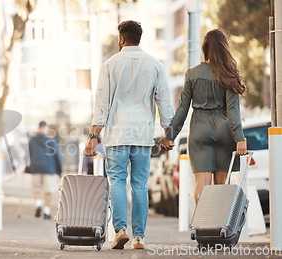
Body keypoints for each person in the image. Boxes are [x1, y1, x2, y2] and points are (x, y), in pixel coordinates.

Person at [84, 20, 174, 250]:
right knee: (140, 185)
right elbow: (164, 102)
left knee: (117, 181)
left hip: (117, 135)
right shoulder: (155, 65)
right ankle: (139, 238)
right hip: (143, 136)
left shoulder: (109, 65)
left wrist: (94, 136)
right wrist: (168, 133)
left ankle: (121, 230)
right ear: (139, 38)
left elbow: (101, 104)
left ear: (122, 39)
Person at [159, 28, 247, 204]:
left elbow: (183, 108)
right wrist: (240, 138)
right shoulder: (228, 74)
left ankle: (203, 225)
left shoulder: (192, 73)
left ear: (204, 49)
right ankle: (220, 226)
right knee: (223, 185)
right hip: (224, 131)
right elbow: (233, 111)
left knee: (202, 184)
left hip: (199, 130)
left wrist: (170, 136)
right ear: (224, 48)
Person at [26, 121, 62, 219]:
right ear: (46, 128)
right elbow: (57, 156)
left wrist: (27, 168)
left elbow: (28, 155)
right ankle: (46, 212)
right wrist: (60, 170)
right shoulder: (51, 140)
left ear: (38, 128)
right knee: (48, 191)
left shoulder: (32, 140)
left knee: (36, 189)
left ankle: (38, 204)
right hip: (49, 168)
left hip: (36, 167)